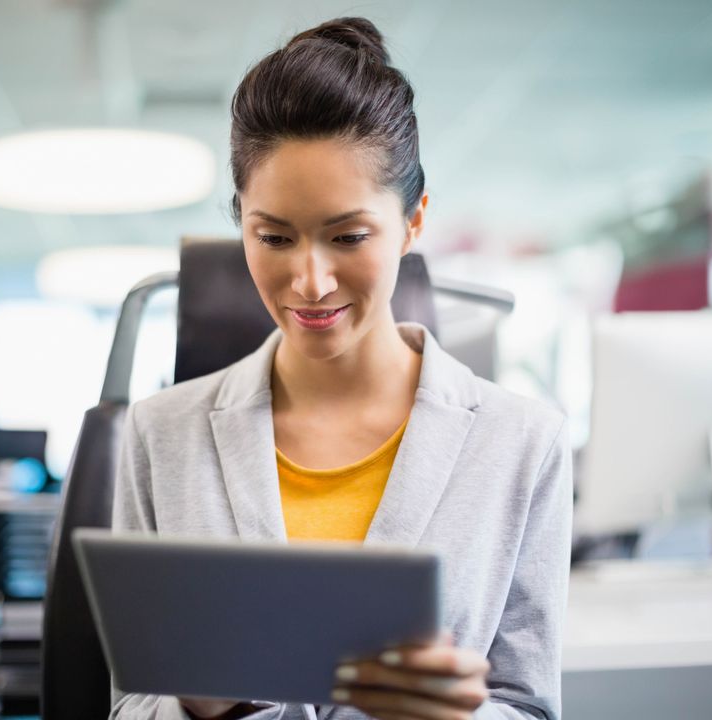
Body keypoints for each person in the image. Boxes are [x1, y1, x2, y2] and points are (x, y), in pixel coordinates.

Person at [111, 16, 572, 720]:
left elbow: (530, 707)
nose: (311, 282)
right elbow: (129, 705)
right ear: (240, 222)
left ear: (414, 220)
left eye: (347, 236)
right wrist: (197, 708)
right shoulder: (159, 434)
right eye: (274, 237)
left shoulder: (522, 441)